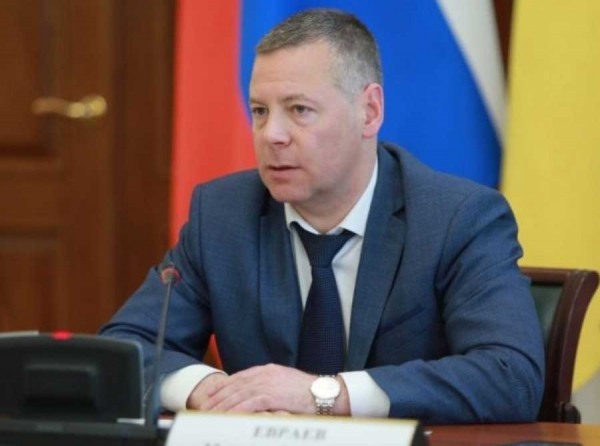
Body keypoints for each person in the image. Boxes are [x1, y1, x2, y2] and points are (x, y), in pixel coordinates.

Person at [100, 8, 544, 423]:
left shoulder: (456, 219)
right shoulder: (222, 216)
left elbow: (510, 374)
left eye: (299, 110)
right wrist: (213, 390)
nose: (272, 135)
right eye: (260, 111)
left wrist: (324, 394)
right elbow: (124, 348)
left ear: (369, 112)